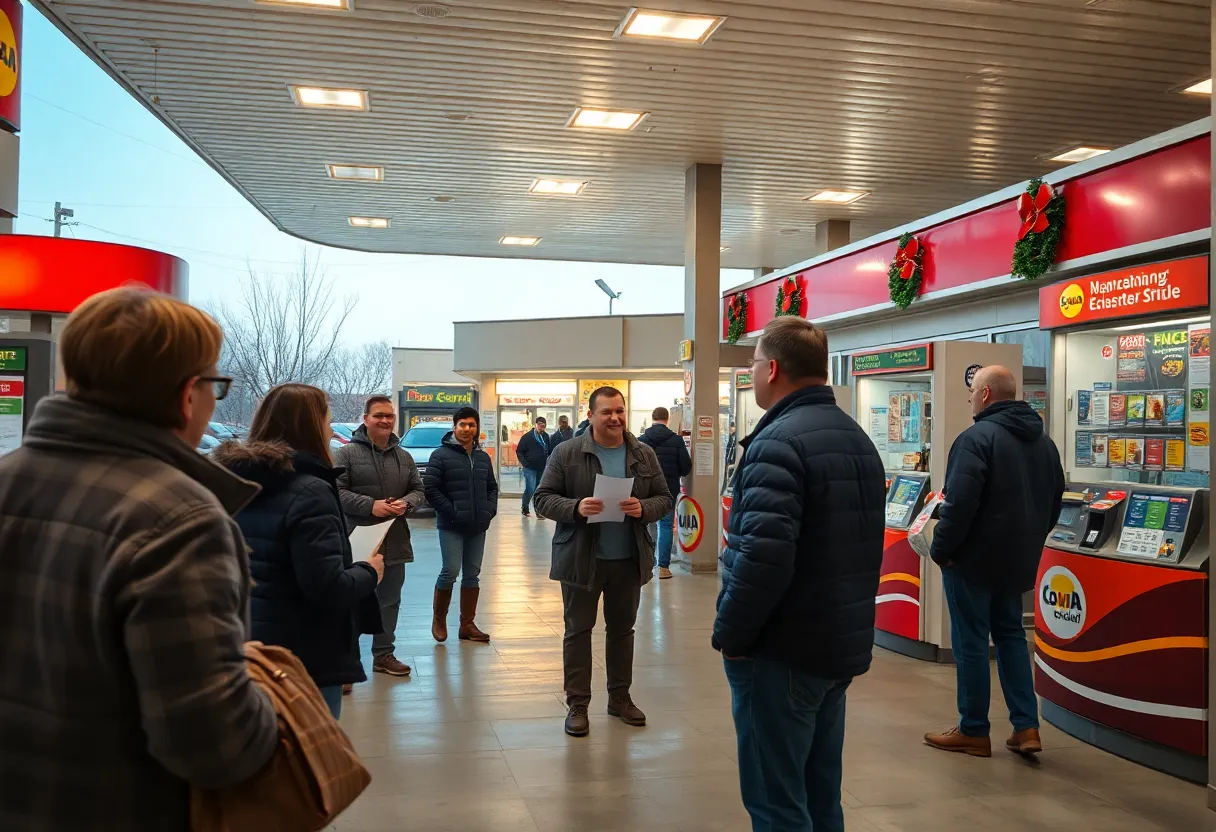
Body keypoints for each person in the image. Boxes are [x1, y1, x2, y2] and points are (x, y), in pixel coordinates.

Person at [0, 288, 279, 829]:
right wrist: (274, 702)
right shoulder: (179, 520)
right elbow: (215, 746)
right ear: (185, 397)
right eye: (214, 386)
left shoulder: (8, 479)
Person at [713, 317, 885, 832]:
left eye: (751, 363)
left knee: (776, 801)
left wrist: (733, 636)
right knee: (820, 793)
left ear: (773, 368)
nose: (750, 371)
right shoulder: (856, 438)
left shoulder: (777, 443)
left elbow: (764, 560)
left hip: (783, 652)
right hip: (835, 648)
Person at [214, 384, 385, 719]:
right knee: (315, 758)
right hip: (307, 654)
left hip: (252, 642)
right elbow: (326, 587)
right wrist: (368, 570)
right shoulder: (311, 490)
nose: (330, 431)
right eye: (327, 421)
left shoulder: (237, 482)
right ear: (311, 426)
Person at [924, 365, 1064, 759]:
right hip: (1017, 561)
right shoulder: (1045, 444)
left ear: (984, 395)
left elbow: (959, 504)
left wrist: (942, 550)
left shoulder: (975, 439)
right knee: (1012, 639)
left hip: (971, 562)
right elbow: (1054, 503)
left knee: (970, 644)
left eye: (971, 392)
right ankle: (1026, 726)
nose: (970, 399)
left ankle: (973, 729)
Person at [534, 387, 673, 738]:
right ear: (591, 415)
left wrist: (645, 509)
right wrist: (575, 507)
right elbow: (542, 499)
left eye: (620, 411)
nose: (615, 418)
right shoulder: (566, 453)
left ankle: (620, 698)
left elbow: (665, 497)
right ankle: (578, 703)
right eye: (607, 411)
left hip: (628, 559)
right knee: (578, 632)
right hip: (582, 560)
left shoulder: (643, 453)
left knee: (622, 631)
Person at [334, 395, 426, 678]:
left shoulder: (404, 456)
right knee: (350, 601)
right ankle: (344, 662)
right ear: (365, 419)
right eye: (378, 415)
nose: (385, 420)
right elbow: (336, 491)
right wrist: (370, 505)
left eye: (389, 415)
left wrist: (406, 504)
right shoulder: (346, 455)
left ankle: (383, 654)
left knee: (390, 600)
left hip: (394, 539)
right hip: (357, 541)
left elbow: (419, 490)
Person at [424, 406, 499, 643]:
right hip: (451, 525)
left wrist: (488, 511)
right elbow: (431, 490)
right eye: (463, 424)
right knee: (450, 571)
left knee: (472, 575)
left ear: (477, 428)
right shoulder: (440, 455)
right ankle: (439, 619)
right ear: (454, 427)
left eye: (472, 425)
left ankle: (467, 624)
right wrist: (453, 512)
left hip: (478, 525)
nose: (467, 429)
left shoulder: (482, 457)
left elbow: (492, 488)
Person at [638, 406, 692, 579]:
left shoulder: (641, 440)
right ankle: (663, 568)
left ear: (652, 418)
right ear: (667, 419)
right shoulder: (676, 440)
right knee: (666, 525)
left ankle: (646, 565)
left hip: (645, 490)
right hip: (668, 489)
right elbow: (686, 467)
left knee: (646, 525)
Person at [515, 416, 551, 517]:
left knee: (538, 490)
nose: (541, 428)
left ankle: (538, 510)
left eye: (543, 426)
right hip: (529, 468)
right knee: (530, 488)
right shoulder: (527, 437)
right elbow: (519, 451)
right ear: (535, 425)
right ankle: (525, 507)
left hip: (542, 467)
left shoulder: (546, 437)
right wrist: (524, 463)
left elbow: (549, 451)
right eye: (540, 425)